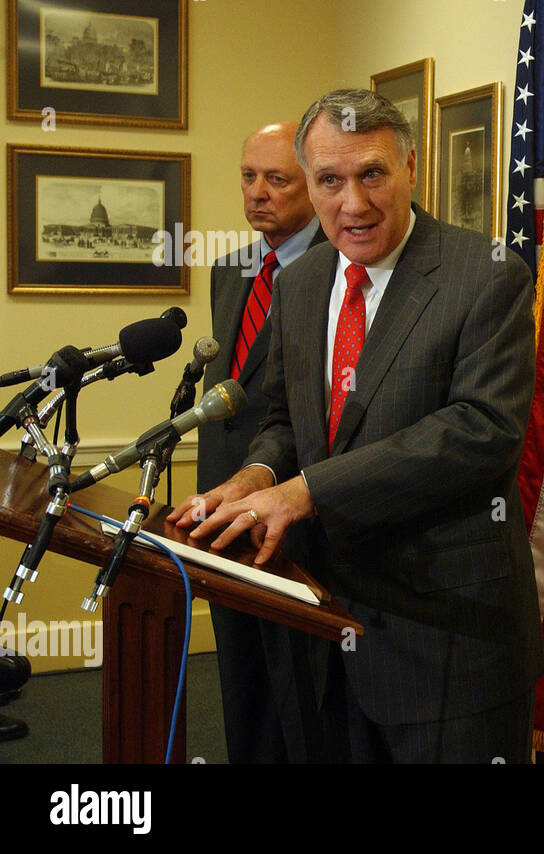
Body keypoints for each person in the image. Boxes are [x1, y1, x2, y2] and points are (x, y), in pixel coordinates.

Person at [170, 89, 543, 763]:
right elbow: (285, 417)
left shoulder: (486, 275)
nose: (354, 203)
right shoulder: (302, 281)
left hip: (445, 643)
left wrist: (304, 490)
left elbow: (480, 431)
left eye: (373, 174)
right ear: (309, 184)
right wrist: (256, 475)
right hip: (321, 628)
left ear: (410, 167)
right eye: (330, 181)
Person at [198, 122, 326, 763]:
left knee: (295, 692)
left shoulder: (339, 267)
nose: (258, 193)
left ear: (313, 183)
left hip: (293, 507)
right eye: (249, 177)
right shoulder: (231, 269)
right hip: (224, 498)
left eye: (277, 179)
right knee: (239, 680)